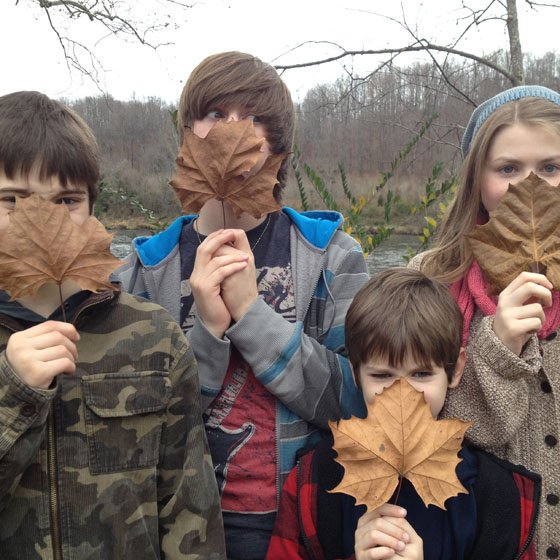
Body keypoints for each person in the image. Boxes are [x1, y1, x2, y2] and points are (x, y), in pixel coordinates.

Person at [115, 51, 369, 558]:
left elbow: (360, 402)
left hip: (307, 528)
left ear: (278, 145)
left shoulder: (333, 257)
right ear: (187, 134)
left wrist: (254, 317)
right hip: (184, 534)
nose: (234, 132)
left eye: (253, 119)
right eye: (215, 115)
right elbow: (134, 436)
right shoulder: (142, 274)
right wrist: (206, 335)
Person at [0, 91, 226, 559]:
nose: (40, 221)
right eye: (11, 200)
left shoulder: (153, 338)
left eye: (65, 199)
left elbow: (189, 512)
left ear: (92, 210)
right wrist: (13, 393)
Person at [266, 267, 540, 560]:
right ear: (355, 374)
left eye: (421, 374)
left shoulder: (498, 496)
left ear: (456, 369)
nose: (402, 393)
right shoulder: (317, 482)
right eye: (382, 375)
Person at [410, 85, 560, 559]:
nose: (529, 186)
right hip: (477, 540)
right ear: (478, 179)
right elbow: (417, 429)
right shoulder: (428, 280)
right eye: (508, 169)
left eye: (551, 168)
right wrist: (497, 349)